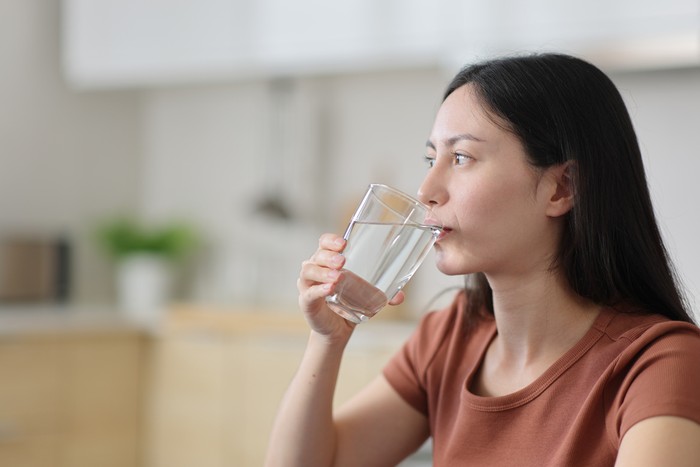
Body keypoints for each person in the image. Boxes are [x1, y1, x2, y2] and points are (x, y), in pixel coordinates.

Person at [264, 53, 700, 466]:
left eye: (461, 157)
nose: (426, 190)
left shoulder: (660, 364)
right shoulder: (450, 336)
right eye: (431, 158)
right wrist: (329, 339)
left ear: (561, 188)